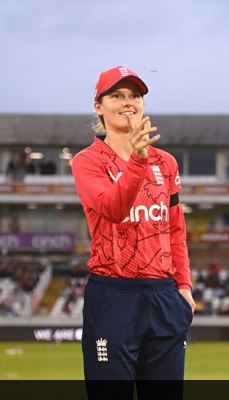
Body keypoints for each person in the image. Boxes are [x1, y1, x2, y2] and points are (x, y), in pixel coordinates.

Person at [71, 66, 195, 400]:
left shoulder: (166, 163)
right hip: (114, 297)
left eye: (135, 95)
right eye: (117, 95)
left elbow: (175, 229)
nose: (128, 102)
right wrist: (138, 161)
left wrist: (183, 287)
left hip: (164, 297)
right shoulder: (87, 161)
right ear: (99, 106)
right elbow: (112, 208)